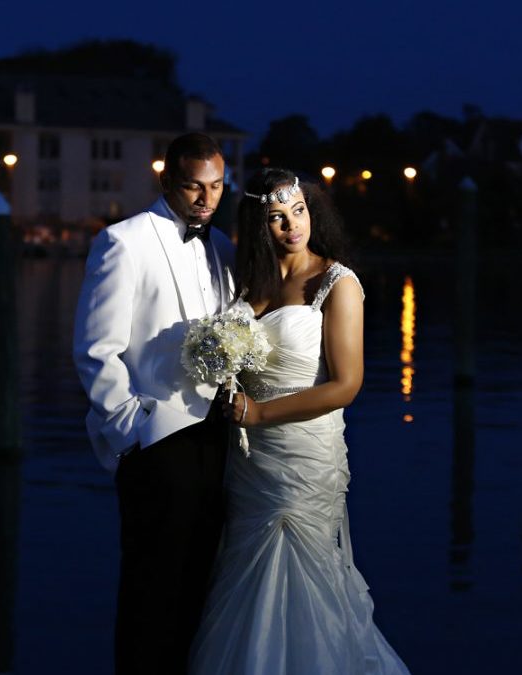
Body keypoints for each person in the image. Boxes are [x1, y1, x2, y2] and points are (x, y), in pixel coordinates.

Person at [189, 168, 410, 674]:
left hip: (303, 452)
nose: (292, 225)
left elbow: (346, 386)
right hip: (249, 462)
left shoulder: (337, 283)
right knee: (244, 569)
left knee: (300, 570)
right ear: (260, 224)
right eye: (276, 217)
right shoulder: (249, 283)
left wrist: (261, 412)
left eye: (299, 211)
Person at [73, 133, 236, 674]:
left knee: (200, 586)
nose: (206, 198)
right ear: (167, 180)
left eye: (215, 186)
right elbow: (96, 350)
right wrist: (134, 433)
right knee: (150, 590)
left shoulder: (225, 248)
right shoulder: (125, 241)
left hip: (219, 444)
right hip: (156, 442)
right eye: (194, 185)